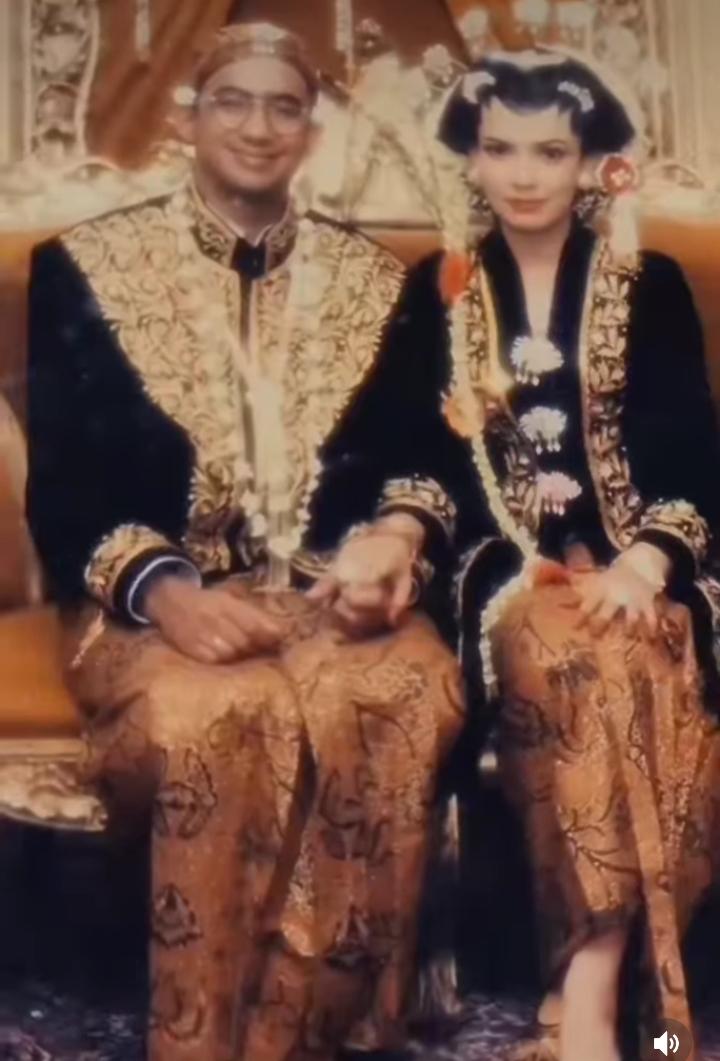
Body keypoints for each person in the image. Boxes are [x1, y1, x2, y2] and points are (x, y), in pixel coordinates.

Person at [25, 22, 464, 1061]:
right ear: (188, 119)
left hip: (330, 601)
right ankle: (205, 1039)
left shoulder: (376, 281)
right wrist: (167, 591)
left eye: (283, 106)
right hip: (150, 606)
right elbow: (65, 483)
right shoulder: (84, 267)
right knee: (223, 709)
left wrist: (394, 538)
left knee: (407, 688)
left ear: (310, 132)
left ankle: (329, 1033)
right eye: (233, 100)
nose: (258, 127)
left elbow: (424, 458)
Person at [393, 49, 720, 1061]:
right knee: (578, 656)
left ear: (587, 164)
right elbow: (417, 462)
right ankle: (605, 1003)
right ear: (472, 160)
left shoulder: (647, 283)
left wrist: (648, 561)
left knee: (634, 658)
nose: (525, 175)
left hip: (648, 562)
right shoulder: (437, 291)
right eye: (501, 150)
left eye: (549, 152)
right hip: (504, 575)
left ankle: (587, 993)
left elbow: (693, 450)